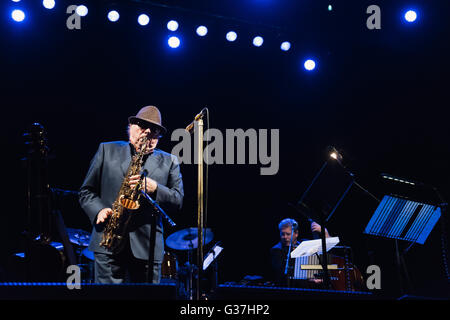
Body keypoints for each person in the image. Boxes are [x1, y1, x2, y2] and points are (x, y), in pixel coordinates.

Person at [79, 105, 184, 284]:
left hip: (147, 247)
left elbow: (178, 199)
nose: (148, 132)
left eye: (154, 131)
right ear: (132, 126)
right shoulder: (106, 149)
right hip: (108, 240)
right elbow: (86, 191)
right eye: (143, 126)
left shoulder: (170, 161)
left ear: (159, 136)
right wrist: (99, 211)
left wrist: (155, 188)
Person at [270, 218, 330, 286]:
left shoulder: (304, 244)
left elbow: (324, 250)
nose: (285, 237)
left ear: (296, 234)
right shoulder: (277, 250)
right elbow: (281, 272)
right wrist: (307, 278)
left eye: (288, 234)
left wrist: (325, 233)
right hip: (289, 286)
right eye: (282, 234)